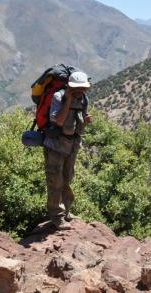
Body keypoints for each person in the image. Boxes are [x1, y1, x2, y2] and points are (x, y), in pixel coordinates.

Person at [43, 71, 92, 230]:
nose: (79, 91)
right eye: (76, 88)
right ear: (69, 86)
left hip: (72, 145)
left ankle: (67, 211)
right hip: (55, 145)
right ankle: (57, 217)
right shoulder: (59, 97)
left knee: (67, 178)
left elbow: (80, 125)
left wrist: (86, 121)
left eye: (82, 88)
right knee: (55, 181)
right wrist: (68, 100)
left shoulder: (84, 99)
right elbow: (58, 120)